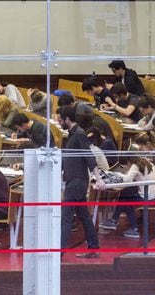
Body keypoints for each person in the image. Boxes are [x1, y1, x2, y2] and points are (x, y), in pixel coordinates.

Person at [57, 106, 106, 259]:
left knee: (65, 217)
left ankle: (59, 253)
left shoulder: (79, 134)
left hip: (77, 182)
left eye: (60, 120)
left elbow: (89, 157)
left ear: (67, 119)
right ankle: (93, 247)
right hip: (74, 180)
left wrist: (98, 178)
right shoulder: (72, 135)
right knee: (84, 216)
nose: (58, 122)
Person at [99, 157, 155, 238]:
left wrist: (125, 173)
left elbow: (126, 180)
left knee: (126, 198)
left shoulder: (135, 166)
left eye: (124, 166)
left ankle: (129, 227)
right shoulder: (146, 162)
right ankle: (115, 221)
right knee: (126, 194)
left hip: (150, 199)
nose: (125, 168)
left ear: (129, 163)